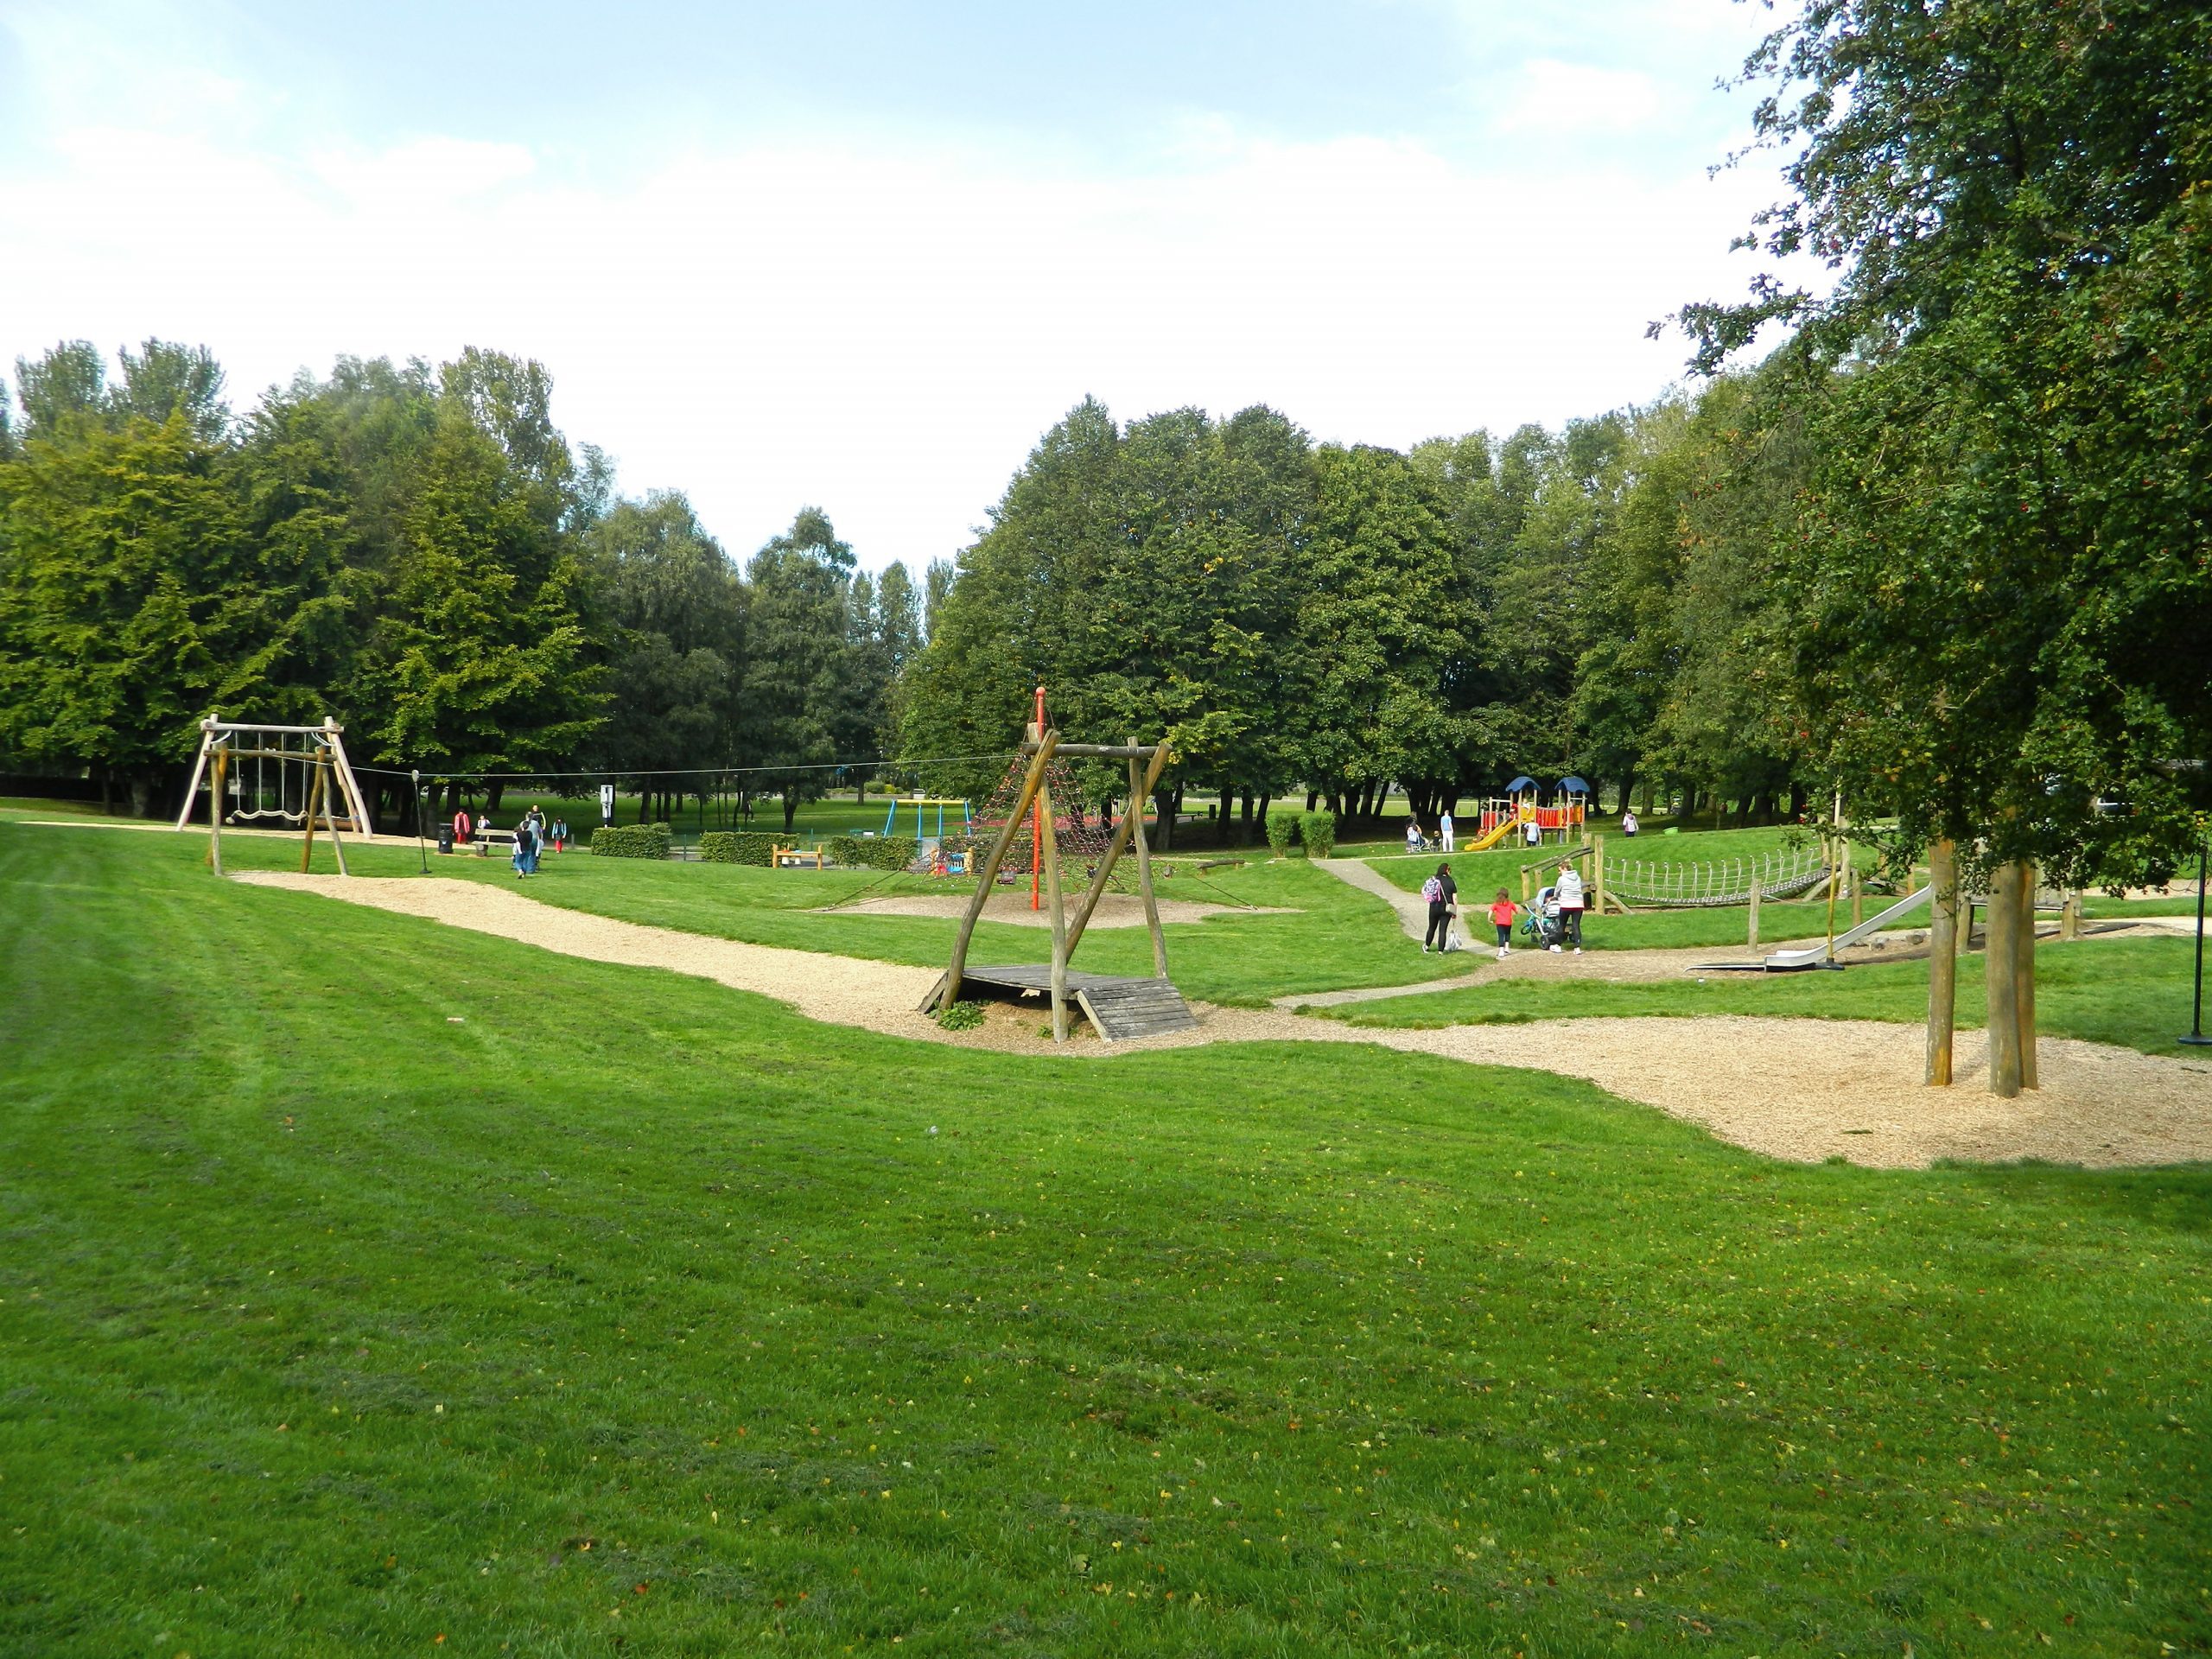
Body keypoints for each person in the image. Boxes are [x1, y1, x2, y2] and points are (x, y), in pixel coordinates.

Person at [1420, 861, 1458, 953]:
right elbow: (1455, 898)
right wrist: (1454, 911)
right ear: (1447, 870)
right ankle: (1440, 951)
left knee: (1432, 927)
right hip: (1446, 909)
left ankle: (1427, 946)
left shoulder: (1434, 880)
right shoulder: (1451, 881)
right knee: (1442, 930)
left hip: (1434, 907)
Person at [1554, 857, 1585, 953]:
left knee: (1562, 925)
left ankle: (1558, 946)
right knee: (1576, 925)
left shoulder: (1562, 879)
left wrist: (1555, 897)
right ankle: (1577, 948)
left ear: (1565, 869)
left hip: (1566, 904)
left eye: (1560, 870)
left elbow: (1557, 891)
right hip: (1578, 904)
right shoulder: (1578, 878)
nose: (1559, 872)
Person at [1488, 887, 1519, 959]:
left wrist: (1489, 919)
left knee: (1501, 936)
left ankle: (1501, 950)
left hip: (1499, 923)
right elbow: (1516, 910)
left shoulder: (1496, 904)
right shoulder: (1510, 903)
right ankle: (1507, 948)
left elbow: (1490, 912)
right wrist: (1516, 913)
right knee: (1507, 934)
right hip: (1508, 922)